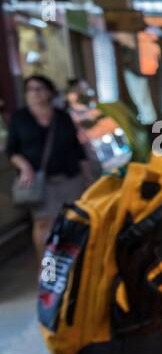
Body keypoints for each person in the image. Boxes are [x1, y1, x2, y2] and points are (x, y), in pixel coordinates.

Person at [7, 74, 99, 253]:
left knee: (73, 221)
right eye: (30, 89)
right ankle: (46, 269)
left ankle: (70, 266)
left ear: (49, 92)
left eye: (39, 88)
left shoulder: (62, 117)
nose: (35, 93)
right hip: (40, 182)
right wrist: (24, 167)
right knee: (43, 224)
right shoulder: (20, 118)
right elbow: (12, 151)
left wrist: (88, 177)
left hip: (69, 178)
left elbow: (77, 149)